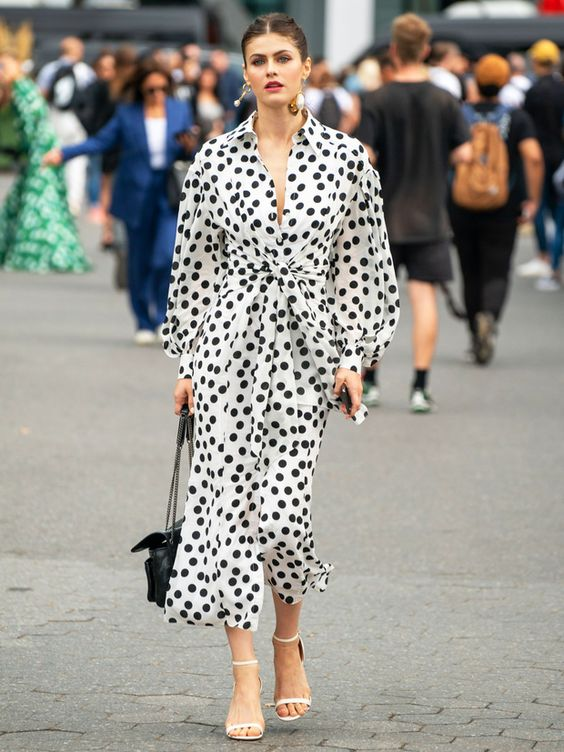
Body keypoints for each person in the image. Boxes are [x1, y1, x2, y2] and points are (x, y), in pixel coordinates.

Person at [162, 12, 399, 740]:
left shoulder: (347, 159)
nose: (270, 69)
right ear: (244, 72)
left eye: (283, 58)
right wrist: (187, 363)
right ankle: (245, 680)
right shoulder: (214, 161)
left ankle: (288, 644)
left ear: (304, 68)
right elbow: (194, 268)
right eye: (258, 58)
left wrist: (355, 355)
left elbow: (363, 264)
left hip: (307, 353)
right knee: (227, 514)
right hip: (227, 349)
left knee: (284, 515)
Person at [356, 13, 470, 413]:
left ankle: (369, 380)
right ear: (425, 49)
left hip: (383, 218)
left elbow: (365, 155)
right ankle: (420, 386)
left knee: (375, 302)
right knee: (424, 300)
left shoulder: (378, 99)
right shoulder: (445, 100)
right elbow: (465, 152)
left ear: (393, 51)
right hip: (430, 216)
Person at [43, 59, 196, 344]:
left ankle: (164, 316)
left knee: (165, 258)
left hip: (169, 194)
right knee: (138, 262)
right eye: (151, 90)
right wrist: (63, 154)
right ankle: (143, 321)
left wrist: (190, 144)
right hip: (135, 195)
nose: (157, 94)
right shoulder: (127, 114)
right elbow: (100, 142)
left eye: (162, 88)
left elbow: (191, 147)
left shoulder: (179, 110)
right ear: (141, 89)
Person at [449, 55, 543, 365]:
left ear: (476, 81)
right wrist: (532, 198)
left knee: (470, 268)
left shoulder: (460, 115)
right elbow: (532, 156)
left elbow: (447, 155)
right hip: (504, 205)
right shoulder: (517, 118)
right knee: (497, 268)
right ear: (503, 82)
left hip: (461, 205)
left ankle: (475, 331)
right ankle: (489, 315)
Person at [0, 50, 90, 273]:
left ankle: (42, 250)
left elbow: (34, 126)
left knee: (40, 203)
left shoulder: (22, 89)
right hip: (40, 151)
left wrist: (34, 153)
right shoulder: (23, 89)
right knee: (36, 201)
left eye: (3, 67)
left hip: (40, 153)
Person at [519, 39, 564, 287]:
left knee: (537, 202)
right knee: (559, 211)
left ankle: (543, 255)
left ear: (536, 61)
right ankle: (554, 258)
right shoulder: (561, 89)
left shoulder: (533, 91)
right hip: (560, 155)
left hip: (537, 154)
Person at [37, 37, 95, 216]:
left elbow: (41, 94)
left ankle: (49, 195)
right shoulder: (84, 71)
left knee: (52, 154)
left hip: (54, 118)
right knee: (77, 160)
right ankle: (73, 201)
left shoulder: (49, 69)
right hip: (76, 120)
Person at [193, 63, 225, 142]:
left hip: (220, 139)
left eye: (211, 76)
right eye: (206, 75)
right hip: (202, 140)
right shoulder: (193, 99)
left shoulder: (219, 97)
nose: (208, 79)